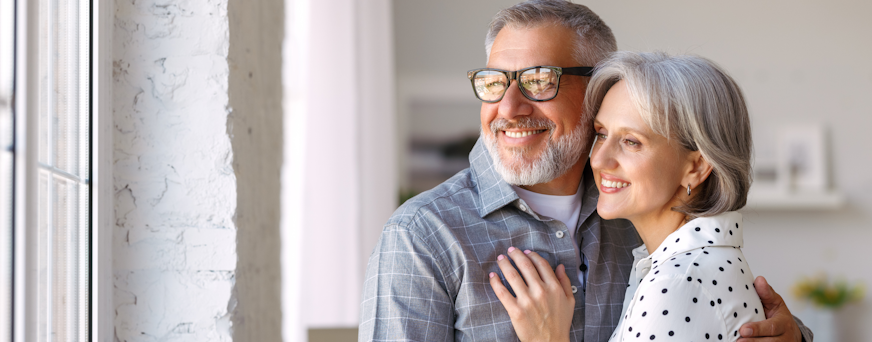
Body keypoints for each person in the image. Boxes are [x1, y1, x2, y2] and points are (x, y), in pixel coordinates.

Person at [358, 1, 812, 341]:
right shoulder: (422, 237)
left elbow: (720, 312)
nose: (508, 108)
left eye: (538, 80)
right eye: (495, 83)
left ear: (597, 89)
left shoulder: (642, 208)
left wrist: (794, 337)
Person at [489, 51, 777, 342]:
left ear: (696, 167)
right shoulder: (682, 266)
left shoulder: (676, 284)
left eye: (631, 141)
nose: (599, 160)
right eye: (601, 133)